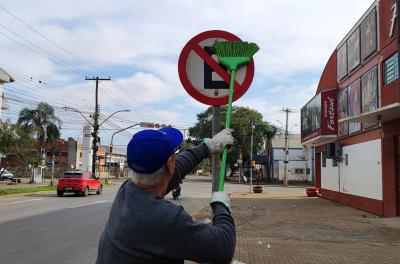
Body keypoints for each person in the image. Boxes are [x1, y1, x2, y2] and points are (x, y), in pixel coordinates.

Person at [96, 127, 236, 264]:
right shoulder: (166, 218)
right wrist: (221, 206)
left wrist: (207, 147)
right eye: (174, 154)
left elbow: (177, 168)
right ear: (169, 164)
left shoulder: (126, 190)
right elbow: (223, 249)